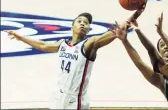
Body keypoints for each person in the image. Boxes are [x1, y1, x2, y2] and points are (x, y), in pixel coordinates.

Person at [4, 7, 145, 109]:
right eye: (80, 21)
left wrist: (136, 14)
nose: (83, 23)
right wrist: (21, 37)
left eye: (86, 23)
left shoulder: (89, 44)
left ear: (89, 29)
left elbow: (116, 31)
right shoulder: (63, 44)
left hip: (75, 101)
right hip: (57, 97)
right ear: (72, 26)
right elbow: (43, 45)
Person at [115, 13, 168, 110]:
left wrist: (161, 32)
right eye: (162, 46)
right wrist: (127, 39)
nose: (166, 62)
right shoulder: (161, 81)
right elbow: (143, 60)